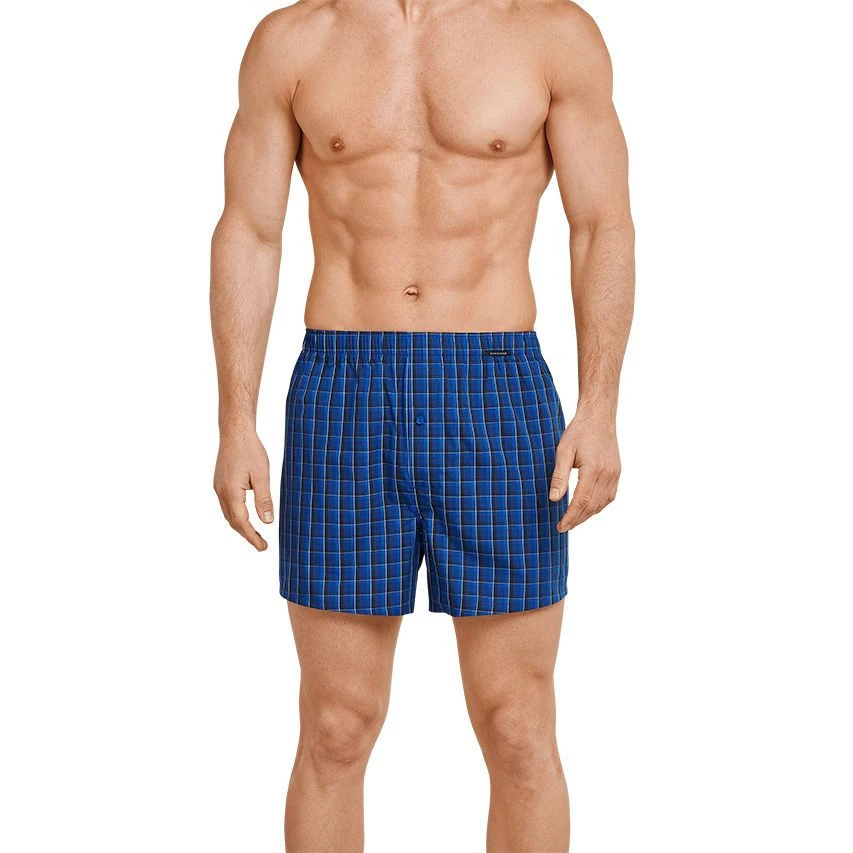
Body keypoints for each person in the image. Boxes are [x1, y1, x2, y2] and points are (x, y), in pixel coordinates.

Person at [210, 0, 634, 849]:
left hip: (495, 385)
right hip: (343, 388)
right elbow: (250, 231)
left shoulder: (551, 35)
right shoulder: (293, 41)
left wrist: (599, 407)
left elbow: (601, 226)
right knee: (336, 722)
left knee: (517, 722)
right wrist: (235, 419)